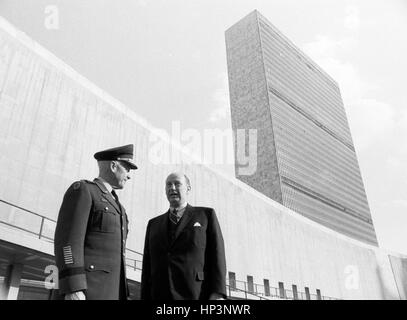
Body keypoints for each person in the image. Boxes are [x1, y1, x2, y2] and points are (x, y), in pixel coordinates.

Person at [52, 144, 137, 300]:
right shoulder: (84, 190)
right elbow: (67, 242)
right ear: (113, 166)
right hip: (86, 291)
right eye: (127, 168)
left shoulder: (120, 208)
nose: (129, 175)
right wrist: (73, 287)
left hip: (111, 292)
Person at [141, 172, 227, 300]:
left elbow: (217, 254)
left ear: (188, 188)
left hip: (196, 293)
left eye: (177, 183)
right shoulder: (153, 224)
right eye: (168, 184)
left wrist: (218, 293)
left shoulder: (205, 216)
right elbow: (147, 266)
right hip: (160, 295)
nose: (172, 188)